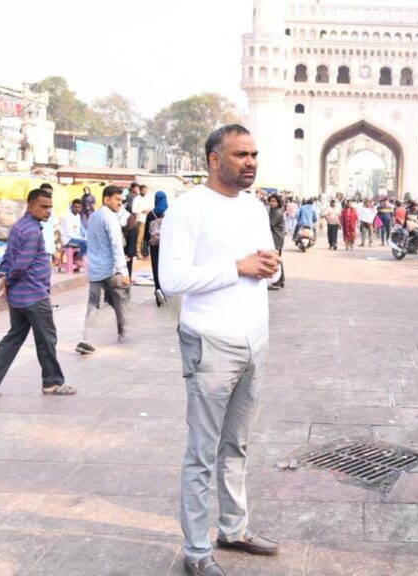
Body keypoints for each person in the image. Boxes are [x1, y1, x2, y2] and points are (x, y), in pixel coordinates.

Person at [159, 124, 281, 576]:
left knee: (238, 444)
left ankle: (234, 528)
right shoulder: (188, 208)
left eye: (253, 154)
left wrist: (268, 264)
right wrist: (238, 268)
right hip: (210, 342)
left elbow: (262, 258)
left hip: (254, 339)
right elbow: (170, 280)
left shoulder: (253, 206)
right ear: (214, 159)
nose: (250, 162)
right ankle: (195, 551)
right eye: (239, 154)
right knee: (202, 452)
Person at [0, 188, 74, 398]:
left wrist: (4, 278)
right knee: (46, 339)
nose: (48, 211)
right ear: (31, 206)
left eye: (50, 207)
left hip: (19, 296)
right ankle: (52, 383)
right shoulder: (32, 231)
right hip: (33, 295)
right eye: (43, 207)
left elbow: (8, 256)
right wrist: (8, 279)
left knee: (14, 337)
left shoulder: (20, 226)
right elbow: (21, 263)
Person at [76, 185, 131, 355]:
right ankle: (123, 333)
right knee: (122, 300)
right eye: (117, 200)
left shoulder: (93, 217)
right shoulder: (110, 218)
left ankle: (86, 339)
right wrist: (124, 271)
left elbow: (89, 241)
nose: (120, 204)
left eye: (121, 201)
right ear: (106, 199)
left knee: (93, 303)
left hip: (95, 269)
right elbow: (116, 244)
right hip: (112, 269)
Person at [145, 190, 169, 306]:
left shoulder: (151, 214)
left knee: (156, 268)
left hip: (154, 246)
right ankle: (167, 291)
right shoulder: (170, 213)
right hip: (167, 245)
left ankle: (158, 290)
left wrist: (145, 249)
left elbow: (146, 233)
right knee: (166, 268)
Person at [267, 194, 285, 289]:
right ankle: (281, 280)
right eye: (271, 201)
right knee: (278, 258)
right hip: (276, 237)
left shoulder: (277, 212)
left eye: (274, 201)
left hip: (276, 238)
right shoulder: (274, 211)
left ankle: (276, 282)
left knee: (275, 259)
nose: (272, 203)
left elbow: (270, 224)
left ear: (278, 203)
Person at [133, 184, 154, 258]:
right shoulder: (136, 199)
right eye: (143, 190)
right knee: (139, 237)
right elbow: (134, 210)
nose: (144, 191)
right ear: (140, 190)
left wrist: (148, 210)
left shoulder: (148, 198)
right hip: (140, 219)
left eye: (145, 190)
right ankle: (138, 252)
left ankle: (144, 252)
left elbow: (151, 207)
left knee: (145, 237)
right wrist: (142, 210)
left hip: (147, 220)